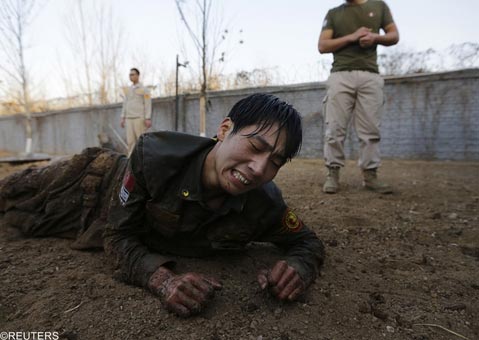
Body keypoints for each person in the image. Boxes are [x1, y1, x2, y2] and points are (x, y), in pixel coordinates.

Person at [0, 93, 325, 318]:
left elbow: (306, 242)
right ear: (224, 130)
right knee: (11, 192)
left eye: (275, 161)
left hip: (85, 229)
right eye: (255, 147)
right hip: (91, 181)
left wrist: (299, 268)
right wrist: (163, 280)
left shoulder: (264, 202)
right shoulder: (154, 156)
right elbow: (117, 235)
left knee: (21, 222)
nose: (259, 168)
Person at [318, 0, 399, 194]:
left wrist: (374, 38)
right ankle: (332, 174)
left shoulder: (379, 6)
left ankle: (370, 176)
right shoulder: (334, 13)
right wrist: (352, 37)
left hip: (370, 75)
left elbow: (394, 35)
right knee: (335, 127)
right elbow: (323, 45)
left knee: (370, 129)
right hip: (340, 75)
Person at [120, 68, 152, 156]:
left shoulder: (145, 90)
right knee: (130, 142)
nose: (131, 76)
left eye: (133, 74)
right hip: (129, 118)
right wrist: (123, 117)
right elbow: (125, 103)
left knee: (141, 140)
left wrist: (147, 118)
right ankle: (130, 162)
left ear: (138, 75)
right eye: (130, 75)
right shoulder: (127, 90)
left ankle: (143, 159)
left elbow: (148, 103)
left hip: (139, 118)